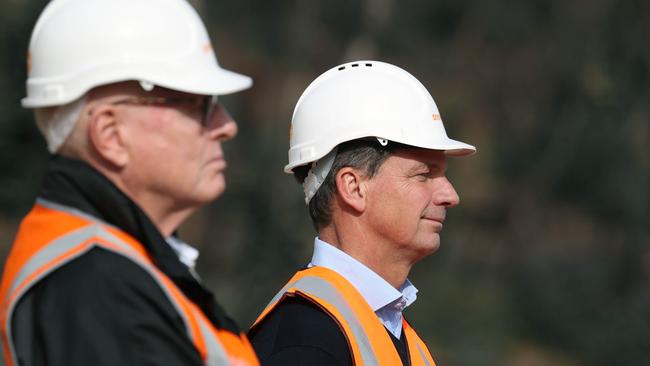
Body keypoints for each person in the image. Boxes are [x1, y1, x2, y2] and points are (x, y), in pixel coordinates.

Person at [0, 0, 260, 365]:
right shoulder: (96, 289)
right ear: (110, 135)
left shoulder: (117, 267)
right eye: (199, 104)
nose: (226, 126)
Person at [248, 60, 476, 365]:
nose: (450, 195)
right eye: (423, 174)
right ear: (354, 188)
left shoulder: (394, 335)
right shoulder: (302, 342)